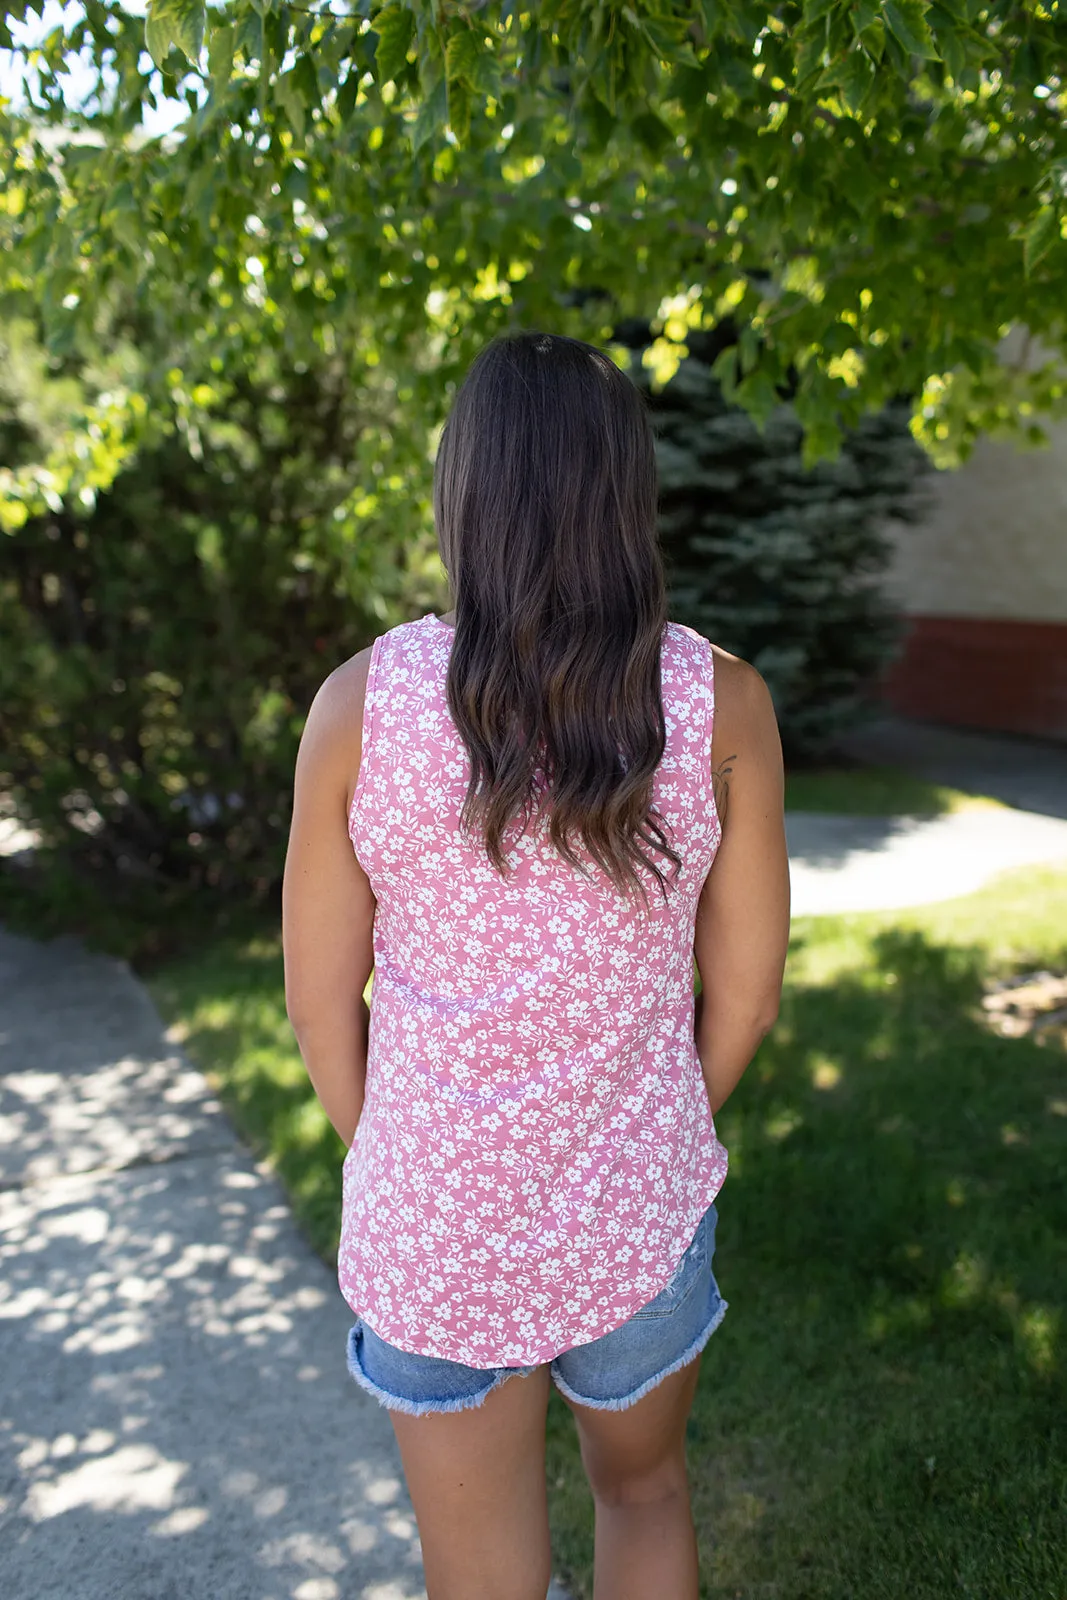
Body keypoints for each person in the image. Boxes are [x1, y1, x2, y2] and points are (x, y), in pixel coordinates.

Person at [282, 331, 790, 1600]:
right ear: (627, 493)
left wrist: (397, 1150)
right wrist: (663, 1123)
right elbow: (747, 994)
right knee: (645, 1493)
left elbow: (313, 997)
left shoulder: (358, 704)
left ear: (465, 490)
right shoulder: (720, 701)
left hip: (430, 1227)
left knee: (480, 1580)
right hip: (638, 1207)